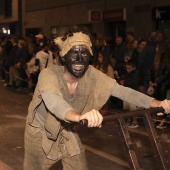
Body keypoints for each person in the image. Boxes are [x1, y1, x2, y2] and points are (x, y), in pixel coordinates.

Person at [24, 30, 170, 170]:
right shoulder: (49, 74)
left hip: (66, 130)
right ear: (63, 56)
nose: (80, 59)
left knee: (79, 165)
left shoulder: (92, 75)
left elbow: (122, 91)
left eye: (84, 53)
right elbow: (53, 101)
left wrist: (157, 103)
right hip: (40, 133)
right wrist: (78, 116)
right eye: (74, 52)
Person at [119, 60, 141, 128]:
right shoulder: (127, 74)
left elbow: (134, 83)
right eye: (127, 68)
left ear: (134, 68)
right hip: (127, 92)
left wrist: (124, 83)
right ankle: (129, 120)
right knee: (127, 107)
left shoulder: (136, 73)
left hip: (133, 93)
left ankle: (135, 122)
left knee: (133, 108)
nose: (127, 70)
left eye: (129, 68)